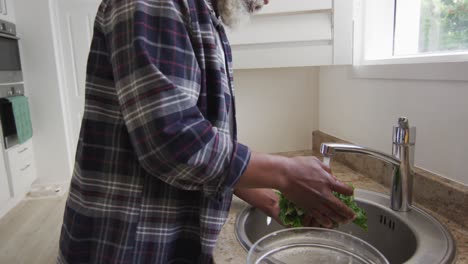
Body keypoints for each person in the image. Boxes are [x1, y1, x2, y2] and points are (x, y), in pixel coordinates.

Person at [57, 0, 356, 263]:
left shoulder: (203, 14)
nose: (266, 1)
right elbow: (173, 140)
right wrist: (285, 173)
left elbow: (200, 131)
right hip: (126, 242)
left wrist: (263, 195)